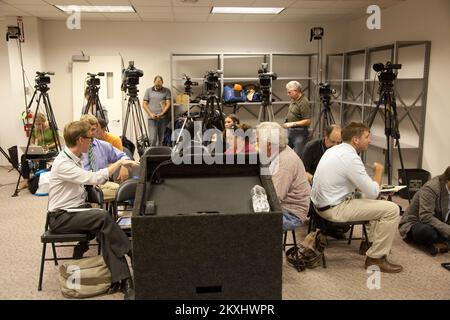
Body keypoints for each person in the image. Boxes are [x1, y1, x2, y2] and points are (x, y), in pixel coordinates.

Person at [47, 120, 137, 299]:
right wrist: (119, 164)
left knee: (105, 231)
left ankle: (124, 281)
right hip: (61, 217)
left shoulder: (75, 158)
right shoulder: (63, 163)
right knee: (103, 216)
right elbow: (93, 177)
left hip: (75, 211)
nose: (92, 141)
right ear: (81, 140)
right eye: (89, 138)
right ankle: (132, 251)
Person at [311, 122, 402, 273]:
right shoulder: (351, 158)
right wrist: (378, 171)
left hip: (321, 204)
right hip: (334, 209)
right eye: (367, 137)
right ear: (355, 140)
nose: (370, 140)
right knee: (392, 209)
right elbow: (373, 192)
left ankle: (369, 244)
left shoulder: (335, 150)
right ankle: (376, 258)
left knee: (376, 202)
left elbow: (360, 185)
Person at [256, 122, 311, 231]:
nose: (256, 143)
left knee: (250, 224)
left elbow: (275, 197)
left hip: (291, 214)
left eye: (258, 140)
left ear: (269, 144)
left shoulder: (284, 163)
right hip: (285, 207)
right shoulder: (279, 152)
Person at [399, 166, 450, 254]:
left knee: (440, 231)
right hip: (416, 222)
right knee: (429, 233)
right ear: (448, 180)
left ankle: (442, 243)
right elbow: (426, 217)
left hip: (440, 220)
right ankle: (443, 241)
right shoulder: (431, 187)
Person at [80, 115, 131, 200]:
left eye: (94, 129)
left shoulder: (103, 145)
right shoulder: (77, 146)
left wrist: (124, 166)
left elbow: (123, 156)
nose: (92, 132)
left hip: (101, 183)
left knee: (127, 189)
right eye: (89, 129)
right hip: (82, 184)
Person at [282, 81, 311, 158]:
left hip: (299, 133)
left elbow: (307, 121)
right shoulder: (294, 99)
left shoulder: (304, 102)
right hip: (290, 131)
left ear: (296, 91)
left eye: (289, 92)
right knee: (286, 153)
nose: (288, 94)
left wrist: (292, 124)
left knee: (298, 156)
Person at [142, 75, 171, 146]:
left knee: (162, 139)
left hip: (163, 119)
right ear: (154, 82)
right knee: (152, 139)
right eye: (157, 82)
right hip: (151, 118)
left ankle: (162, 156)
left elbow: (168, 104)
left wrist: (161, 114)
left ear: (162, 82)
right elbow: (144, 104)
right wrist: (150, 114)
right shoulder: (148, 91)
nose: (158, 84)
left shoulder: (167, 91)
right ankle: (152, 156)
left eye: (159, 82)